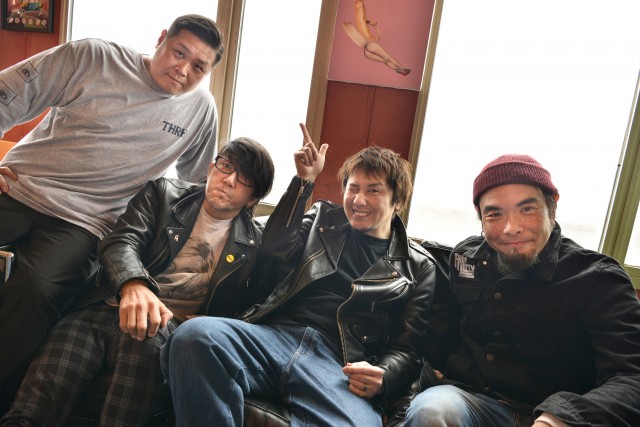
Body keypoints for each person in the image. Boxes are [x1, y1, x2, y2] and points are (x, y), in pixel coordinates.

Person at [0, 14, 224, 412]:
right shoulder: (93, 57)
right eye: (179, 53)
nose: (184, 69)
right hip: (18, 186)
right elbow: (9, 92)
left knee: (39, 289)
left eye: (198, 67)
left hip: (85, 223)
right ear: (161, 38)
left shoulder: (200, 110)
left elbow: (194, 190)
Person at [160, 124, 437, 427]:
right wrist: (303, 181)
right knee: (194, 337)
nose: (359, 200)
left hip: (337, 365)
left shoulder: (418, 266)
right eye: (353, 188)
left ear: (398, 201)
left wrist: (384, 374)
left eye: (373, 190)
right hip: (274, 337)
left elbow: (408, 350)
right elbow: (274, 248)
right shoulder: (323, 218)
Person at [0, 137, 275, 427]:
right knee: (32, 408)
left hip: (162, 326)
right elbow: (121, 241)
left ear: (253, 198)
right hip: (104, 308)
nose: (229, 180)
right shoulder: (163, 194)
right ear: (210, 169)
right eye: (226, 166)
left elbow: (262, 302)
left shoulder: (253, 245)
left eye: (244, 179)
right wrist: (133, 284)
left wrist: (219, 323)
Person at [398, 154, 640, 426]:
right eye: (494, 214)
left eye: (527, 209)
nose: (511, 228)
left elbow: (632, 377)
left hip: (558, 416)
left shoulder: (598, 278)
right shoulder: (466, 258)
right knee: (433, 409)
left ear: (552, 207)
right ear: (480, 216)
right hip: (470, 401)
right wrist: (410, 372)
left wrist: (560, 417)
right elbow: (442, 333)